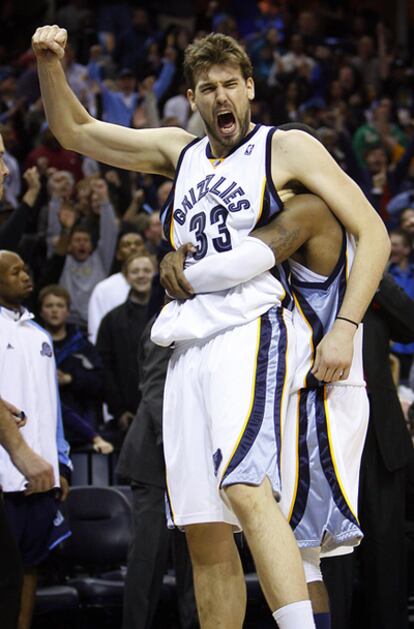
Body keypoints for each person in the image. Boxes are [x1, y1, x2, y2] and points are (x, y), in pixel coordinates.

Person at [33, 26, 389, 628]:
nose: (220, 96)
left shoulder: (286, 148)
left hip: (250, 331)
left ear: (249, 89)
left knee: (248, 491)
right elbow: (77, 132)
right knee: (201, 524)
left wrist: (347, 325)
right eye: (207, 88)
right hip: (186, 345)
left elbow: (373, 232)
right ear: (193, 100)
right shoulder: (182, 151)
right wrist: (49, 63)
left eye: (230, 84)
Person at [160, 181, 369, 629]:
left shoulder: (308, 210)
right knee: (286, 544)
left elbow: (240, 262)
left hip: (318, 390)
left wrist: (181, 265)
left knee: (299, 546)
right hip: (291, 382)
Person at [0, 128, 55, 629]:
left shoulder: (36, 330)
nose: (4, 171)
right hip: (9, 463)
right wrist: (16, 446)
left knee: (19, 571)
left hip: (30, 472)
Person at [0, 249, 72, 629]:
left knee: (30, 568)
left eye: (26, 269)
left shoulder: (38, 333)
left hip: (40, 472)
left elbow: (52, 405)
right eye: (15, 272)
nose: (25, 276)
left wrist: (61, 462)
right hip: (4, 474)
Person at [116, 316, 198, 629]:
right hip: (156, 457)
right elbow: (154, 387)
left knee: (194, 558)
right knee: (148, 558)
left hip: (192, 460)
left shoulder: (207, 316)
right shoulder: (165, 323)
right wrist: (176, 448)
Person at [38, 284, 113, 453]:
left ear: (68, 311)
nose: (54, 311)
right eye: (49, 306)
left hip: (82, 429)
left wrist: (71, 379)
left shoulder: (83, 346)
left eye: (59, 306)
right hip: (44, 427)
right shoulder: (32, 343)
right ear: (41, 311)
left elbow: (100, 383)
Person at [96, 253, 154, 435]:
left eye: (146, 270)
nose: (141, 275)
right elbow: (105, 367)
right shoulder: (111, 320)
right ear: (126, 277)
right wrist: (118, 410)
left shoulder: (169, 314)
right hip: (128, 416)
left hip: (167, 408)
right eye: (135, 271)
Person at [88, 229, 146, 344]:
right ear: (118, 254)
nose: (133, 247)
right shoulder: (103, 289)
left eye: (138, 244)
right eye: (127, 245)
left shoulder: (158, 283)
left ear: (145, 250)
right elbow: (95, 331)